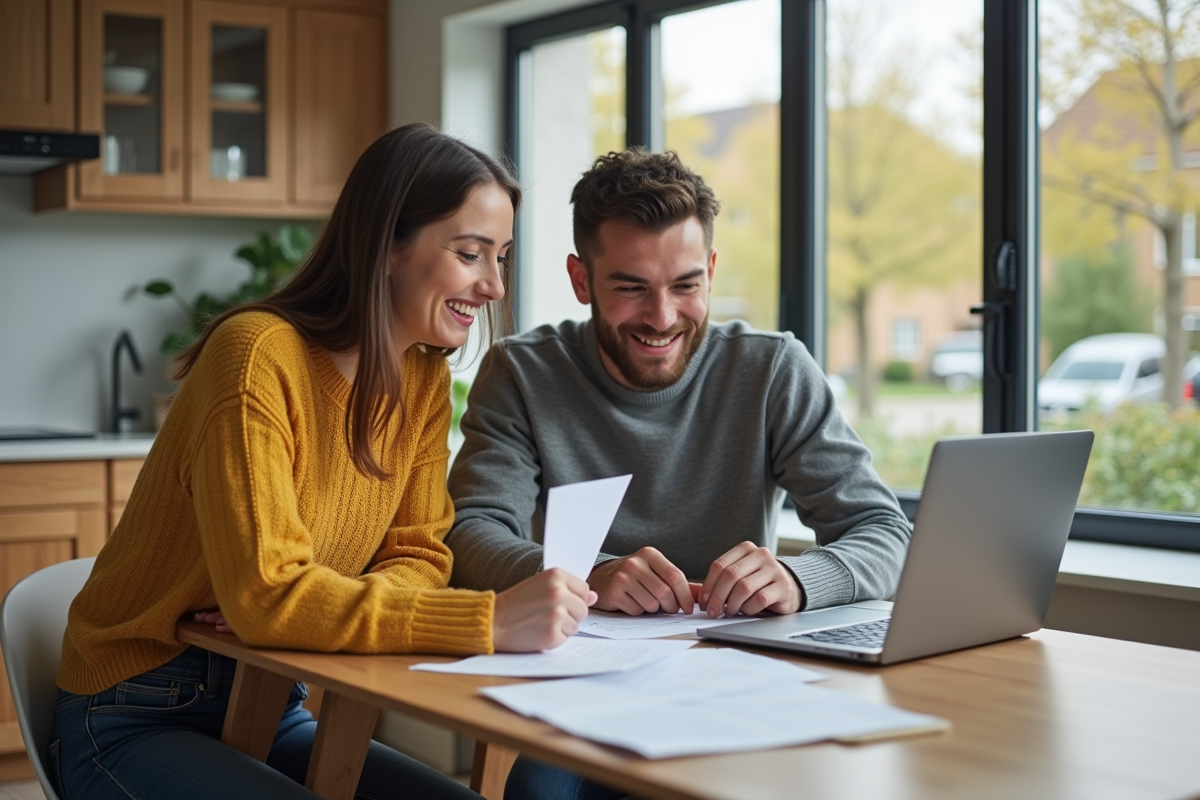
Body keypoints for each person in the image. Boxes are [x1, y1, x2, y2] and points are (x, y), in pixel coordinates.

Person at [51, 123, 595, 800]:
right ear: (386, 246)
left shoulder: (422, 380)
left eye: (502, 257)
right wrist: (484, 621)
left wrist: (296, 602)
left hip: (273, 696)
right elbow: (271, 599)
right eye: (470, 253)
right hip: (136, 712)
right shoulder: (255, 356)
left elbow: (422, 555)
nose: (492, 286)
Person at [445, 147, 912, 799]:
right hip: (590, 686)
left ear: (712, 271)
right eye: (631, 287)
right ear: (582, 281)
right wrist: (591, 575)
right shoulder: (523, 374)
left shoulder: (771, 369)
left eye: (686, 286)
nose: (662, 318)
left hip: (744, 684)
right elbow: (469, 534)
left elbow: (883, 529)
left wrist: (799, 579)